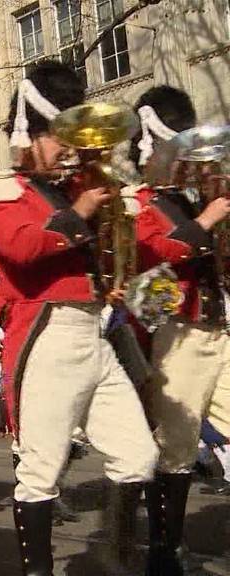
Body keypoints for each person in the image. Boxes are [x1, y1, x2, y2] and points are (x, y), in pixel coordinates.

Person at [0, 59, 159, 575]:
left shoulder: (78, 187)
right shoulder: (4, 190)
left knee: (137, 455)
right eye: (58, 137)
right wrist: (80, 211)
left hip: (93, 331)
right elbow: (21, 248)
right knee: (40, 472)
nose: (70, 149)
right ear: (28, 136)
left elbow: (134, 251)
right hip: (47, 333)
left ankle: (113, 554)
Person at [130, 84, 226, 575]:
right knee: (178, 449)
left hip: (219, 326)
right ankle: (164, 551)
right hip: (175, 333)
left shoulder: (194, 198)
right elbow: (154, 260)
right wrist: (208, 219)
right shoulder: (136, 201)